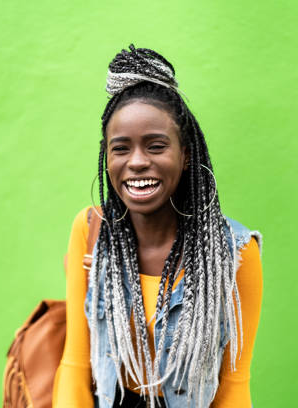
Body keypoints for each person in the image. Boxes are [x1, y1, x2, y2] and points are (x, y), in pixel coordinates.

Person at [53, 45, 263, 408]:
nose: (137, 162)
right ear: (107, 156)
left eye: (155, 146)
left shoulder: (235, 251)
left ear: (185, 156)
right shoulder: (91, 231)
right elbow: (74, 364)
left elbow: (234, 384)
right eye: (121, 148)